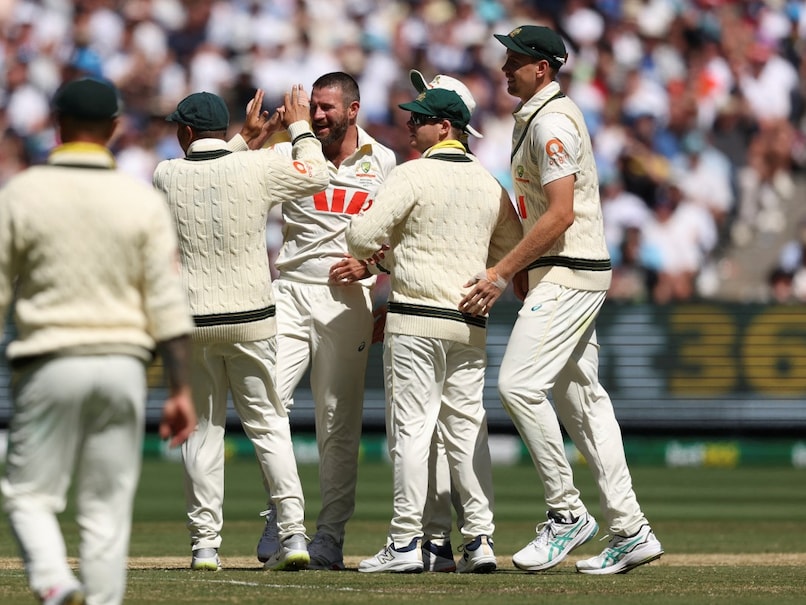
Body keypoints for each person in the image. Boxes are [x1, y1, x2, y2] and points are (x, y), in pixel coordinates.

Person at [460, 25, 664, 574]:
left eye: (516, 60)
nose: (505, 67)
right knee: (584, 403)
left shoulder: (550, 121)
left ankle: (566, 513)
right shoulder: (537, 116)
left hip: (571, 272)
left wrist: (502, 272)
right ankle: (630, 529)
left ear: (542, 68)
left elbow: (560, 213)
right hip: (565, 270)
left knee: (518, 385)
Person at [0, 77, 196, 605]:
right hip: (124, 366)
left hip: (50, 361)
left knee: (28, 496)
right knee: (106, 506)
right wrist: (180, 389)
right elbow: (167, 304)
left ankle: (55, 582)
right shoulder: (140, 201)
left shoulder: (22, 192)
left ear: (56, 124)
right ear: (113, 128)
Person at [152, 86, 329, 572]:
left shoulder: (165, 173)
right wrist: (298, 127)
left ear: (186, 132)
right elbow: (318, 174)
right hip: (253, 320)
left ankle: (205, 546)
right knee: (270, 425)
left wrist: (241, 141)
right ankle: (293, 534)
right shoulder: (259, 165)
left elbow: (208, 175)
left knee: (202, 434)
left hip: (193, 324)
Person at [346, 87, 522, 574]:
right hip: (469, 321)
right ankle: (481, 541)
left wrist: (397, 252)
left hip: (417, 320)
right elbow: (511, 247)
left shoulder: (412, 174)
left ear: (445, 128)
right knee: (466, 432)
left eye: (420, 119)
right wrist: (485, 275)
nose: (410, 125)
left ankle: (404, 542)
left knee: (412, 432)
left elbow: (359, 237)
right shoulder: (490, 184)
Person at [254, 71, 397, 571]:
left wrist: (374, 267)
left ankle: (330, 538)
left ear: (353, 110)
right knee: (267, 403)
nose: (316, 116)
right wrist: (251, 138)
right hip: (289, 292)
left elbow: (399, 234)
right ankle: (283, 511)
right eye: (312, 106)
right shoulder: (290, 150)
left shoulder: (383, 161)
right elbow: (233, 186)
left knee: (338, 425)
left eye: (326, 108)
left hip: (347, 302)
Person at [406, 69, 486, 573]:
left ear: (445, 122)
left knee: (436, 435)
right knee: (454, 433)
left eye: (425, 106)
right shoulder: (481, 178)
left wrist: (381, 261)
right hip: (464, 317)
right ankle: (465, 539)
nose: (414, 111)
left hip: (426, 315)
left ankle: (442, 538)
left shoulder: (430, 174)